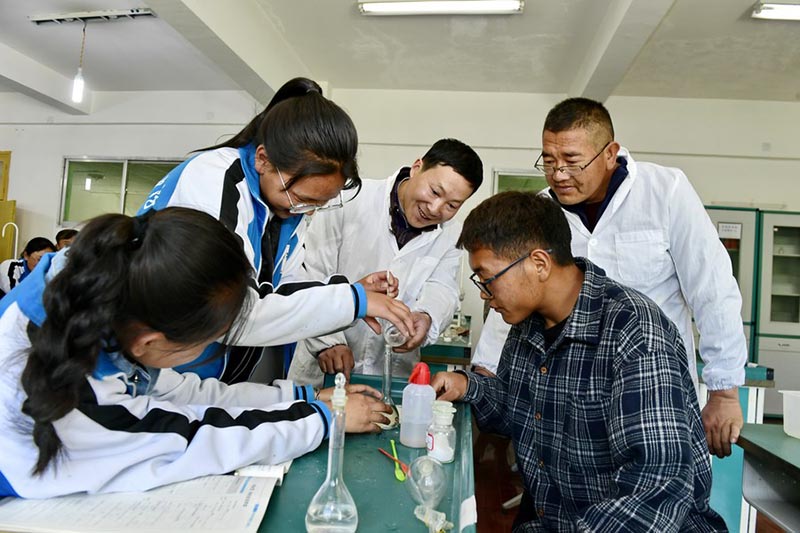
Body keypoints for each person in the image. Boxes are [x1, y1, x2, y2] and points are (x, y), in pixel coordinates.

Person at [0, 208, 391, 498]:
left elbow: (185, 394)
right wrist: (321, 420)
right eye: (209, 339)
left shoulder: (104, 303)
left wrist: (300, 397)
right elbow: (190, 438)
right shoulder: (69, 389)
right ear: (150, 343)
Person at [433, 192, 727, 531]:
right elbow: (521, 409)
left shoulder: (634, 333)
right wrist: (467, 386)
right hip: (557, 520)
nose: (485, 293)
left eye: (487, 278)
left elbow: (657, 489)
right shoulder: (529, 325)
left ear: (539, 264)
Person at [471, 97, 746, 458]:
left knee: (655, 484)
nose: (558, 174)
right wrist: (484, 370)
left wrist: (723, 391)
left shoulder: (665, 191)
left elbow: (712, 288)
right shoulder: (543, 209)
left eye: (571, 161)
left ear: (609, 153)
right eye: (549, 161)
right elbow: (515, 292)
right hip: (570, 396)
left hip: (652, 390)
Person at [138, 77, 414, 383]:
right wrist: (353, 300)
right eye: (302, 199)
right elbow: (231, 317)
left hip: (210, 379)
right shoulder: (215, 185)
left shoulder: (281, 204)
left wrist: (347, 290)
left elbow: (285, 286)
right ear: (263, 160)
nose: (305, 211)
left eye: (319, 204)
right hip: (167, 372)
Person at [289, 138, 483, 384]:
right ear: (417, 167)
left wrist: (426, 317)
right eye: (435, 192)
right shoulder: (351, 199)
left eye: (452, 205)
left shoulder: (450, 234)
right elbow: (310, 272)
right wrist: (328, 342)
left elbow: (442, 288)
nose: (435, 208)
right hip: (323, 366)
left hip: (392, 372)